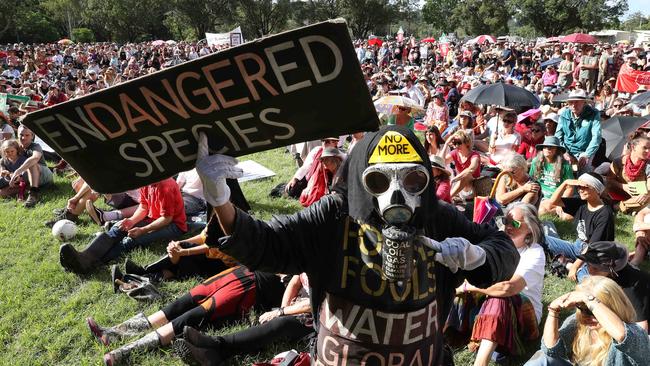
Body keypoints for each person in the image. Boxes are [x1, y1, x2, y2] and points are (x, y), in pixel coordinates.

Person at [195, 126, 519, 365]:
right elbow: (269, 244)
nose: (397, 197)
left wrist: (475, 255)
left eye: (412, 181)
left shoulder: (438, 218)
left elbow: (504, 251)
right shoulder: (336, 215)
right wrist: (221, 198)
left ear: (425, 182)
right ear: (362, 181)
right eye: (379, 181)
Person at [87, 266, 285, 365]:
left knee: (191, 316)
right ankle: (112, 333)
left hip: (252, 289)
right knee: (180, 303)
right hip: (242, 271)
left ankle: (123, 353)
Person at [447, 203, 546, 366]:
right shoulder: (498, 242)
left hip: (524, 319)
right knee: (460, 295)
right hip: (493, 312)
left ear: (530, 228)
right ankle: (446, 339)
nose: (507, 226)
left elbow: (508, 288)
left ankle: (481, 363)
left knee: (499, 298)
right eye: (505, 221)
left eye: (514, 223)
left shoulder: (535, 253)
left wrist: (468, 286)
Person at [174, 273, 314, 366]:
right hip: (298, 307)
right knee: (268, 321)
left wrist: (281, 312)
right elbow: (295, 281)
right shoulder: (309, 253)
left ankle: (214, 345)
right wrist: (284, 307)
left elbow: (315, 304)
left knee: (281, 323)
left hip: (320, 320)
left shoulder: (331, 265)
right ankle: (214, 353)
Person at [59, 178, 188, 274]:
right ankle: (84, 257)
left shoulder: (165, 185)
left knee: (130, 240)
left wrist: (143, 230)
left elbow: (166, 219)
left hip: (174, 225)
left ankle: (90, 265)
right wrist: (131, 221)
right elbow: (143, 206)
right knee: (118, 228)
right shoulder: (145, 181)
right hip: (153, 219)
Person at [524, 275, 649, 366]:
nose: (587, 315)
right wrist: (553, 310)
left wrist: (588, 298)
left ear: (613, 308)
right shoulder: (578, 323)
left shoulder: (636, 334)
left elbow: (622, 335)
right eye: (582, 308)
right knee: (542, 359)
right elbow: (550, 351)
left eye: (593, 310)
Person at [544, 173, 615, 282]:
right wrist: (565, 183)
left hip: (594, 257)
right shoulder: (582, 203)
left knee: (587, 282)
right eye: (579, 187)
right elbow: (553, 202)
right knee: (541, 238)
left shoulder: (605, 213)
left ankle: (568, 264)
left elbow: (592, 247)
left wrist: (575, 267)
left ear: (597, 190)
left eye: (585, 187)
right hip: (577, 247)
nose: (580, 190)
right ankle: (568, 264)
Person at [574, 241, 650, 331]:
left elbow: (641, 326)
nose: (590, 271)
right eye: (588, 265)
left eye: (595, 268)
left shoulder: (631, 285)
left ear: (611, 269)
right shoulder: (607, 276)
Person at [554, 89, 602, 175]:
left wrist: (587, 154)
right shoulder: (564, 114)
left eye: (577, 102)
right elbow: (558, 136)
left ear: (584, 102)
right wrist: (564, 152)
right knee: (560, 172)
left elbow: (596, 136)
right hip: (566, 150)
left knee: (584, 175)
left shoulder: (594, 114)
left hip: (584, 151)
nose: (573, 105)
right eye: (571, 102)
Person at [10, 125, 53, 207]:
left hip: (44, 175)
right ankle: (26, 189)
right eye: (21, 135)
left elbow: (35, 158)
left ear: (32, 136)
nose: (23, 138)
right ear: (17, 134)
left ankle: (34, 193)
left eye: (27, 135)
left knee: (31, 163)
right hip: (25, 176)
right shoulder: (15, 148)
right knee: (3, 192)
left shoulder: (35, 146)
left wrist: (17, 171)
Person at [531, 136, 575, 216]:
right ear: (542, 149)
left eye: (551, 147)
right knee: (536, 210)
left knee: (541, 211)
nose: (548, 149)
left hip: (556, 196)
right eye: (545, 147)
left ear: (557, 151)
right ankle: (559, 211)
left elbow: (570, 188)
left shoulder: (565, 165)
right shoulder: (535, 162)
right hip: (540, 195)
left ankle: (561, 209)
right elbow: (531, 180)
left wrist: (561, 202)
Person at [606, 136, 650, 214]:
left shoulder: (648, 164)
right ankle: (634, 209)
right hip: (618, 193)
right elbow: (609, 180)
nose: (648, 151)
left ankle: (618, 207)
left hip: (639, 196)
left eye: (649, 148)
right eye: (645, 148)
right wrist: (623, 186)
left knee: (647, 198)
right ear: (633, 147)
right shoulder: (618, 162)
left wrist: (646, 193)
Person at [445, 130, 481, 201]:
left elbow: (471, 169)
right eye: (454, 143)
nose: (456, 146)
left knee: (467, 175)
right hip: (460, 189)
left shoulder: (475, 155)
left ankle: (447, 198)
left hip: (473, 190)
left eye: (459, 143)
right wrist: (446, 144)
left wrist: (454, 179)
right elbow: (441, 162)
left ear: (467, 143)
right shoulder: (455, 153)